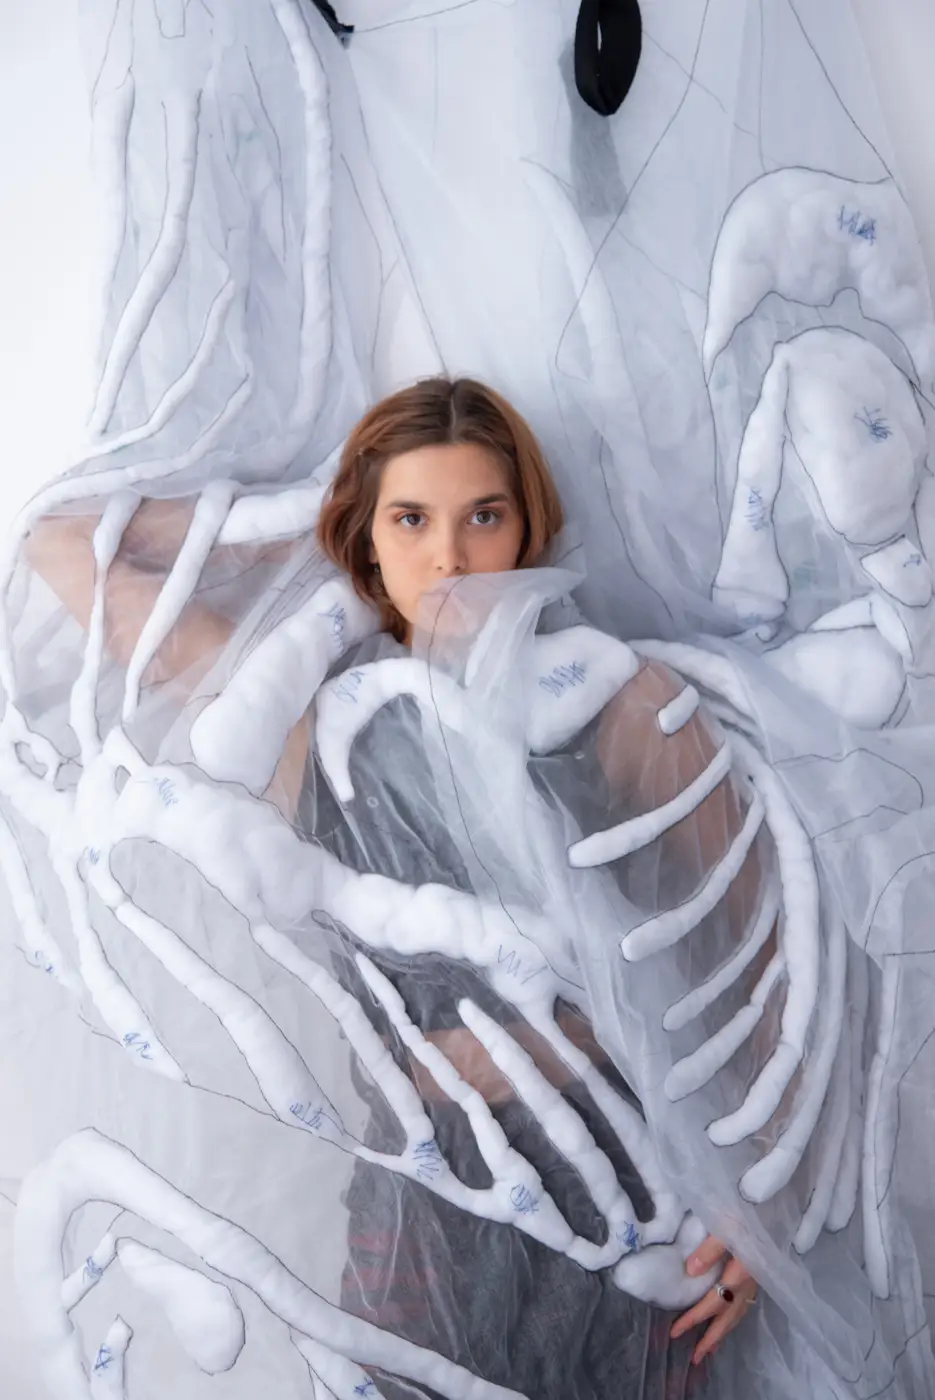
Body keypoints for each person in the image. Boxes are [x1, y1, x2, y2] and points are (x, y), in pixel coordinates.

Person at [25, 376, 762, 1397]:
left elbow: (748, 957)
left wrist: (756, 1205)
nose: (449, 557)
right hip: (423, 1200)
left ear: (527, 526)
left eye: (483, 516)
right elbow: (60, 543)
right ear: (367, 535)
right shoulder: (307, 721)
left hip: (625, 1196)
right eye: (412, 520)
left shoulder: (617, 700)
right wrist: (320, 531)